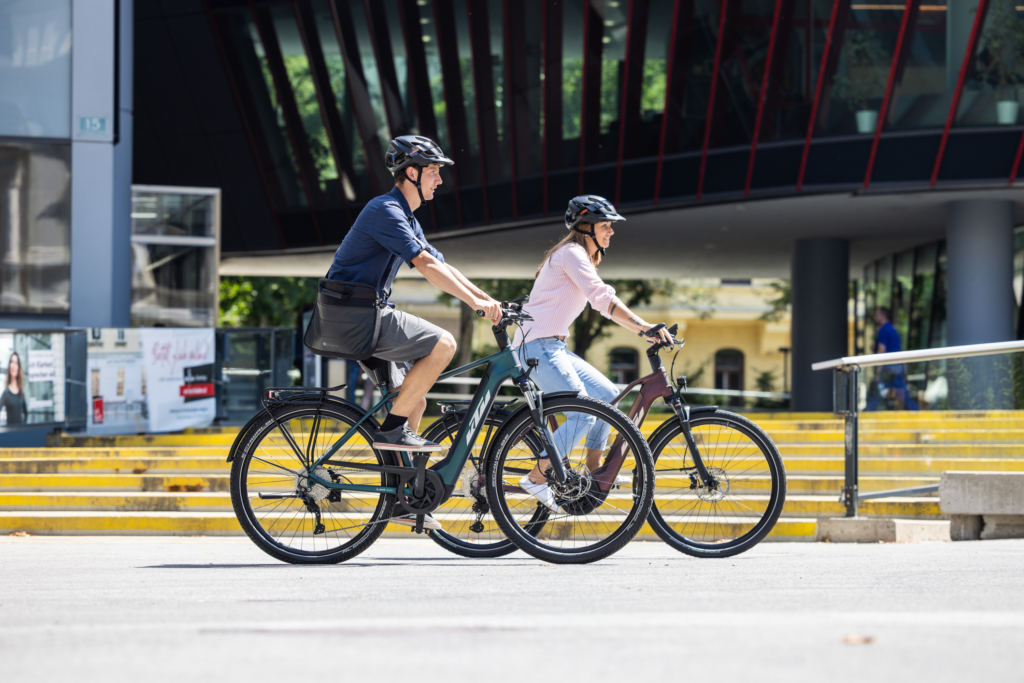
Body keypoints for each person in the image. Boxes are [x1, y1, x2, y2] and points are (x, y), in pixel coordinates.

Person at [326, 135, 502, 529]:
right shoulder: (385, 210)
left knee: (414, 401)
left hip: (360, 314)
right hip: (356, 315)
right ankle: (392, 430)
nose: (439, 180)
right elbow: (423, 263)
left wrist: (490, 301)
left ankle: (401, 498)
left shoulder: (405, 215)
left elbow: (444, 264)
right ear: (411, 172)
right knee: (444, 343)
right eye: (434, 172)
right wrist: (477, 305)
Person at [511, 195, 673, 511]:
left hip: (552, 344)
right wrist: (644, 328)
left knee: (608, 397)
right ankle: (536, 478)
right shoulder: (571, 253)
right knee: (583, 411)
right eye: (605, 226)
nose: (611, 232)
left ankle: (592, 473)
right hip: (536, 346)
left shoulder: (577, 255)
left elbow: (600, 301)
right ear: (586, 228)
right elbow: (601, 298)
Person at [867, 307, 918, 411]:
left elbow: (882, 350)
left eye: (876, 315)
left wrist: (877, 372)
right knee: (904, 397)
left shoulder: (883, 330)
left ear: (882, 316)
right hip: (898, 368)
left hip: (888, 369)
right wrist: (875, 347)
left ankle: (863, 421)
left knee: (874, 395)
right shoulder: (892, 328)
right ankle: (920, 418)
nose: (874, 317)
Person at [0, 352, 27, 426]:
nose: (14, 366)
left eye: (16, 363)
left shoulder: (21, 392)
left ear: (19, 367)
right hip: (11, 435)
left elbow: (26, 413)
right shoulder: (6, 392)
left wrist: (24, 427)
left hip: (21, 434)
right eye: (12, 362)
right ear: (9, 366)